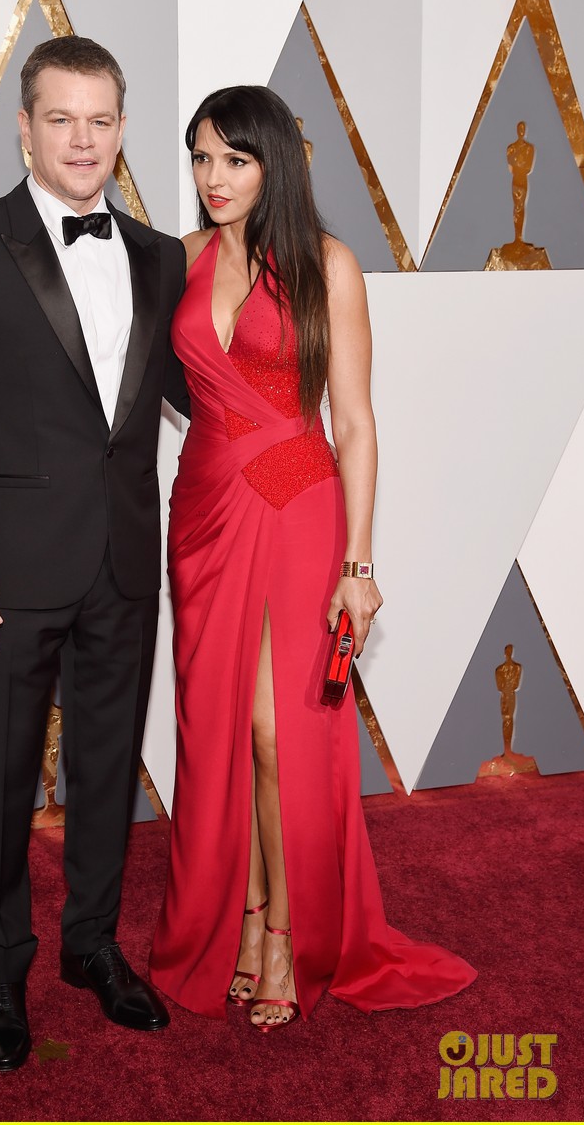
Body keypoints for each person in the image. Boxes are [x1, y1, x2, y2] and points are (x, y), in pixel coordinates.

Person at [149, 85, 476, 1030]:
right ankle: (243, 922)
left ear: (276, 164)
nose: (212, 177)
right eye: (200, 157)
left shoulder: (326, 263)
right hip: (203, 509)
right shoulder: (182, 257)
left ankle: (287, 936)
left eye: (234, 159)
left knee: (276, 733)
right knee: (216, 733)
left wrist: (358, 567)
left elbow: (356, 423)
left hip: (297, 507)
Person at [0, 36, 189, 1070]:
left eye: (99, 120)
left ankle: (91, 945)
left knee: (106, 768)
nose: (81, 139)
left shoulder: (161, 255)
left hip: (124, 555)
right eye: (60, 118)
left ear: (121, 129)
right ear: (24, 128)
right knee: (1, 774)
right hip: (5, 567)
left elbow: (199, 390)